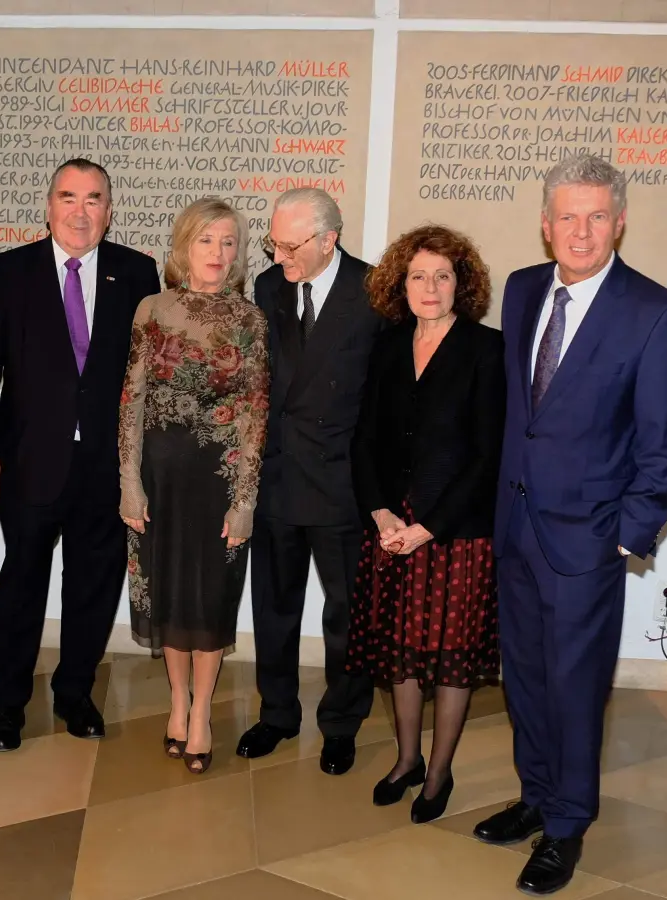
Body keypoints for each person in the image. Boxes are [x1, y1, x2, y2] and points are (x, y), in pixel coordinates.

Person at [475, 153, 667, 895]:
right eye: (567, 216)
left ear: (619, 222)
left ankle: (567, 825)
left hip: (589, 538)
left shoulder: (657, 312)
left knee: (575, 686)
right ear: (546, 224)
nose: (581, 230)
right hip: (516, 527)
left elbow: (665, 443)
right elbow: (523, 416)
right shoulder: (521, 289)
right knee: (525, 678)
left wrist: (628, 534)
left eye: (596, 216)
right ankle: (536, 796)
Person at [0, 158, 163, 751]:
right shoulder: (10, 271)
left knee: (93, 585)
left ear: (109, 210)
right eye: (68, 197)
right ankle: (7, 704)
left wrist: (143, 465)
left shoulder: (137, 272)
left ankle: (75, 692)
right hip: (30, 460)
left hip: (107, 466)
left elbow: (150, 375)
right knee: (22, 587)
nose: (81, 212)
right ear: (49, 206)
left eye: (93, 199)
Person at [348, 224, 505, 824]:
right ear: (402, 284)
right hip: (393, 527)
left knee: (451, 657)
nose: (430, 287)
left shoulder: (486, 350)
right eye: (418, 276)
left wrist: (428, 527)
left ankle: (439, 772)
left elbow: (487, 456)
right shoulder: (387, 345)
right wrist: (381, 511)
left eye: (443, 276)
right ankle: (407, 759)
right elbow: (364, 437)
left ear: (462, 285)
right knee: (401, 651)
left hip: (456, 532)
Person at [236, 188, 384, 776]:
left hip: (342, 482)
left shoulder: (373, 291)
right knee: (274, 608)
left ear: (329, 240)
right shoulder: (269, 287)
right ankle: (277, 713)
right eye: (273, 243)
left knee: (347, 615)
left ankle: (341, 723)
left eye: (290, 246)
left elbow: (383, 394)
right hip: (277, 475)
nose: (279, 256)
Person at [119, 198, 269, 774]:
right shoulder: (152, 309)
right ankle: (177, 702)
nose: (218, 252)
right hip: (159, 479)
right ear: (184, 246)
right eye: (207, 240)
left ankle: (202, 710)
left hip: (220, 481)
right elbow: (131, 400)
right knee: (169, 595)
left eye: (228, 242)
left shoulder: (250, 320)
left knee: (210, 598)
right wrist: (129, 483)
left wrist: (245, 500)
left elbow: (255, 414)